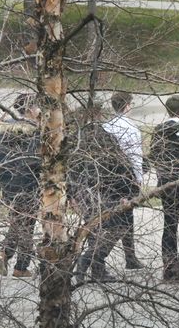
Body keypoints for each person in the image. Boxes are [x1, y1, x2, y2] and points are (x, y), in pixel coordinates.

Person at [69, 109, 140, 283]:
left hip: (83, 192)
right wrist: (130, 191)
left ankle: (97, 269)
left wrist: (71, 194)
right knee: (120, 226)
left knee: (94, 229)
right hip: (106, 191)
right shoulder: (104, 138)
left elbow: (68, 169)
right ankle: (89, 259)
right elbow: (120, 165)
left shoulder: (72, 140)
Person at [0, 93, 42, 278]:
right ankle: (20, 267)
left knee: (18, 223)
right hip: (28, 184)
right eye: (38, 107)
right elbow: (36, 160)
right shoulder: (35, 130)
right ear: (30, 109)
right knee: (27, 224)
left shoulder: (4, 129)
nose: (39, 110)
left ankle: (6, 254)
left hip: (8, 185)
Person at [149, 95, 179, 282]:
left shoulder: (158, 131)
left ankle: (169, 267)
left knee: (169, 226)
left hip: (166, 184)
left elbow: (153, 154)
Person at [102, 92, 145, 270]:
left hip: (107, 176)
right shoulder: (131, 129)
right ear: (128, 105)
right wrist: (139, 178)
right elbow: (135, 156)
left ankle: (131, 256)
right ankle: (103, 255)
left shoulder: (106, 126)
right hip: (126, 177)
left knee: (119, 215)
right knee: (125, 218)